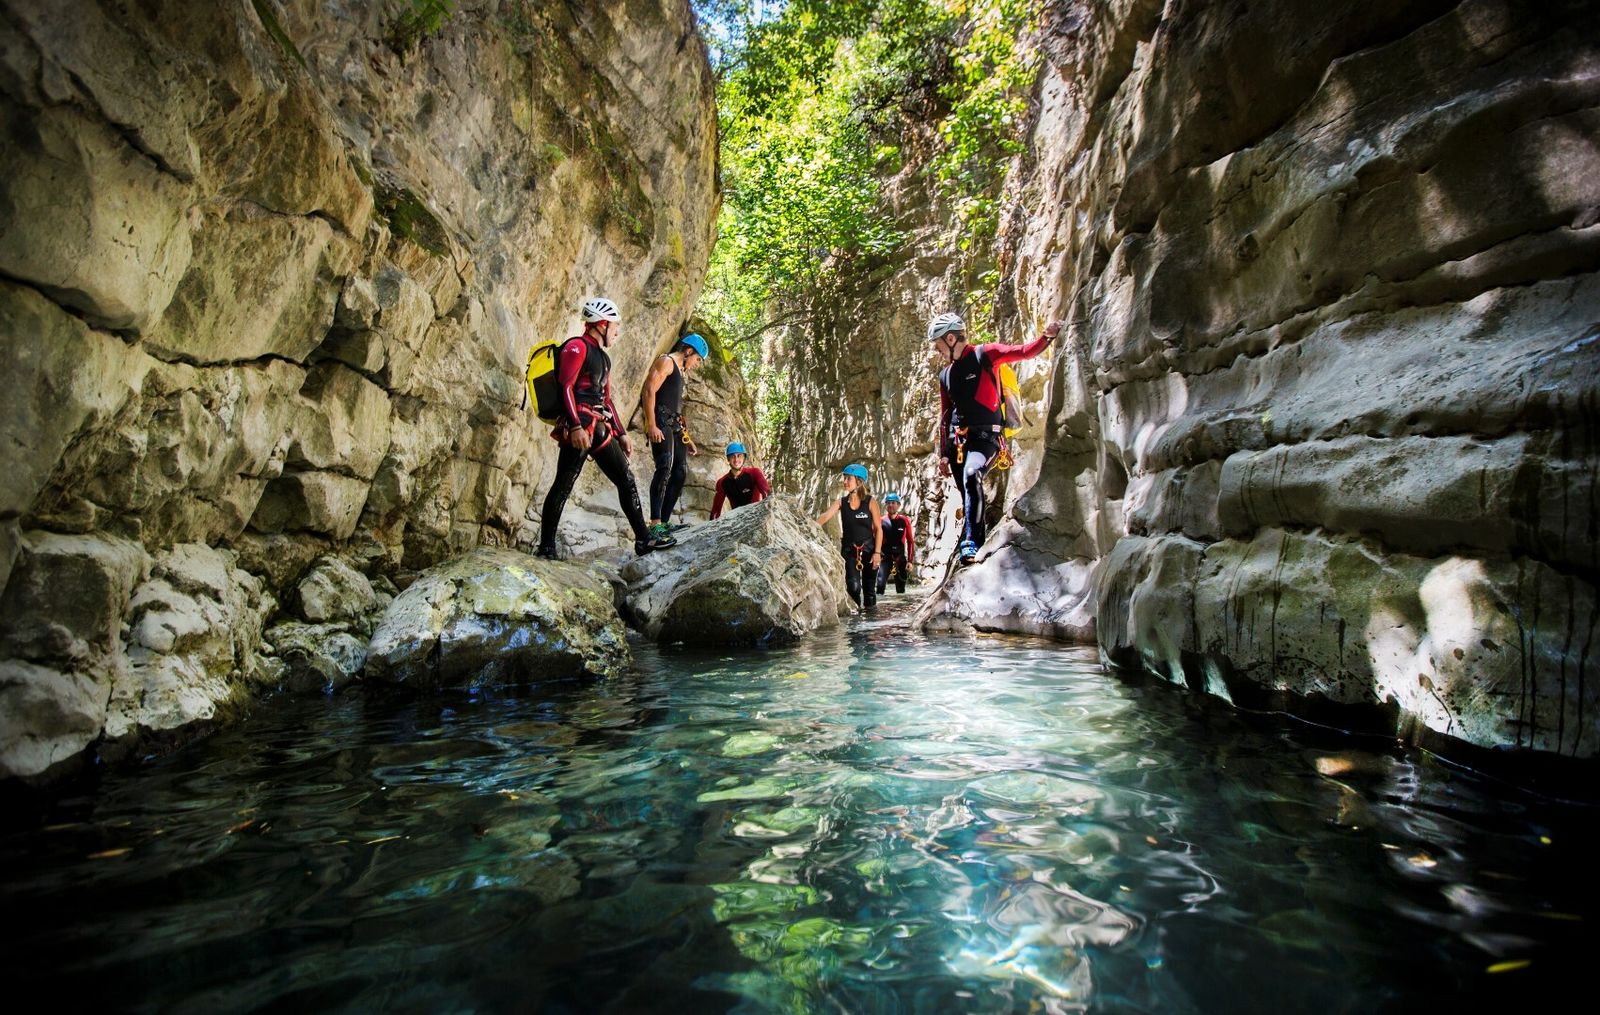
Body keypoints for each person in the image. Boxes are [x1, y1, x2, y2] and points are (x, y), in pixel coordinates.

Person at [538, 296, 674, 558]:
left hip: (598, 428)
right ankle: (546, 548)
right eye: (615, 325)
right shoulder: (576, 347)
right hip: (579, 429)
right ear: (601, 324)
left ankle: (644, 540)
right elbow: (565, 386)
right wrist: (576, 427)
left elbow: (606, 399)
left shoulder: (603, 358)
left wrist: (621, 433)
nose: (617, 331)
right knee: (563, 485)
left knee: (626, 478)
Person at [929, 311, 1061, 565]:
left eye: (938, 344)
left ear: (952, 338)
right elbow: (945, 416)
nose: (936, 350)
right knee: (966, 488)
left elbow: (1022, 352)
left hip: (987, 438)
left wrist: (1047, 337)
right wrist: (943, 454)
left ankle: (972, 542)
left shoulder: (984, 354)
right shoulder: (945, 375)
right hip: (957, 442)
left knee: (971, 475)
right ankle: (970, 534)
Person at [640, 333, 708, 542]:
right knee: (664, 467)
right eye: (697, 359)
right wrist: (651, 424)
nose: (697, 364)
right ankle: (655, 524)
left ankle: (666, 522)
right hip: (660, 422)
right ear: (688, 351)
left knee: (679, 471)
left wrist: (687, 439)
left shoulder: (679, 370)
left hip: (674, 425)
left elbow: (674, 410)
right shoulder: (666, 362)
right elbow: (649, 390)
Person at [814, 463, 882, 609]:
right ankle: (856, 626)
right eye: (844, 478)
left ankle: (870, 626)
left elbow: (878, 529)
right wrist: (809, 526)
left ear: (858, 481)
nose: (844, 482)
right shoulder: (841, 502)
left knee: (869, 592)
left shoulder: (870, 501)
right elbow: (825, 516)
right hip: (850, 552)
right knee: (853, 587)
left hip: (869, 550)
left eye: (848, 478)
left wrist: (877, 553)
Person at [709, 441, 770, 519]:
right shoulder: (722, 482)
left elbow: (767, 494)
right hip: (738, 521)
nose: (736, 459)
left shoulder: (754, 473)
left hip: (755, 517)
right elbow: (716, 511)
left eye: (739, 456)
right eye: (732, 456)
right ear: (728, 459)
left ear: (744, 458)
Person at [876, 492, 915, 595]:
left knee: (901, 590)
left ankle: (900, 610)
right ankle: (878, 610)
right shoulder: (881, 521)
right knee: (879, 586)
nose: (890, 505)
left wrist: (910, 561)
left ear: (898, 505)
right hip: (885, 558)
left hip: (900, 559)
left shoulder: (904, 520)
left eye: (893, 503)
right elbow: (875, 539)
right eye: (888, 503)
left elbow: (910, 541)